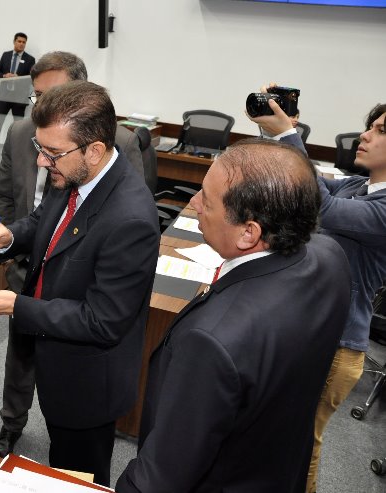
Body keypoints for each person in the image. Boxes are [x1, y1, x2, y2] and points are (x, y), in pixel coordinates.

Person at [115, 138, 351, 493]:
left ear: (248, 232)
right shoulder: (331, 257)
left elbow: (164, 474)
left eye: (206, 199)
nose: (193, 203)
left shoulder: (211, 339)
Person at [0, 80, 160, 486]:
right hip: (57, 358)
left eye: (52, 153)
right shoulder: (73, 175)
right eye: (41, 150)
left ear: (95, 149)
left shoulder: (131, 219)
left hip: (89, 382)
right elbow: (42, 225)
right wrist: (9, 238)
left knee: (78, 476)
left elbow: (102, 321)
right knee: (59, 464)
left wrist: (16, 306)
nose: (41, 163)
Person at [248, 92, 386, 493]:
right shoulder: (361, 185)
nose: (365, 135)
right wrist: (278, 130)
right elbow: (303, 183)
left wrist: (290, 134)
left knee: (300, 448)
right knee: (278, 441)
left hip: (337, 346)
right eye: (370, 126)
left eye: (381, 131)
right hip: (311, 331)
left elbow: (320, 206)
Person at [0, 33, 35, 145]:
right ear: (14, 42)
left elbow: (32, 79)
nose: (21, 44)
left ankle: (17, 150)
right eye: (19, 41)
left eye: (24, 42)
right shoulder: (6, 55)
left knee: (19, 127)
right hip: (4, 96)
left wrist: (18, 78)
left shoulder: (30, 59)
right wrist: (5, 76)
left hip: (19, 99)